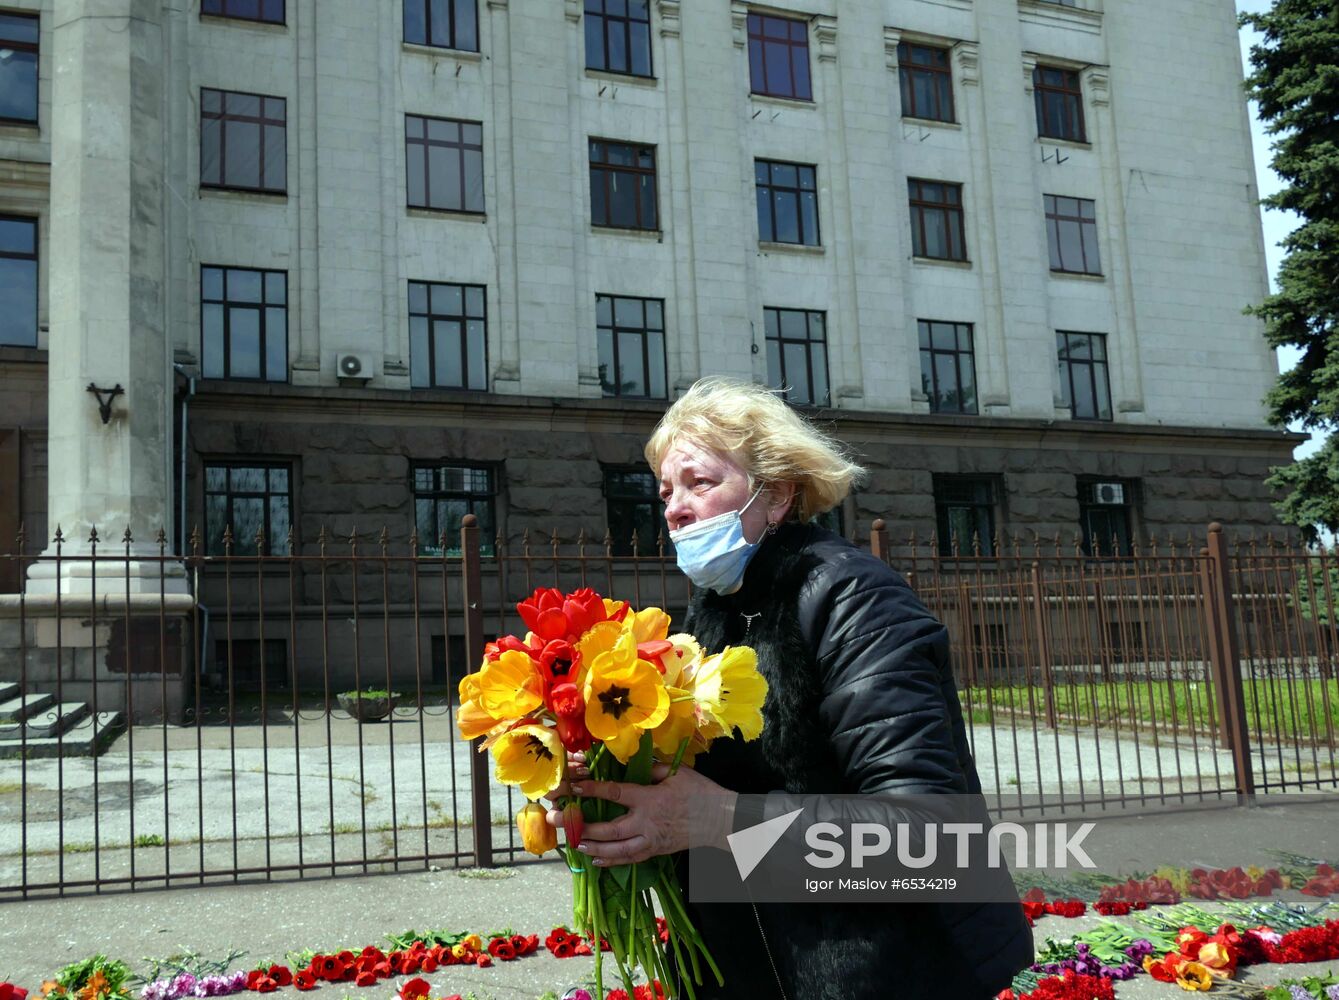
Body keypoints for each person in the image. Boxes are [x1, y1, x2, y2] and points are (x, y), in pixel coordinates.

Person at [550, 377, 1033, 999]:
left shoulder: (852, 598)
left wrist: (719, 820)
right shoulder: (714, 611)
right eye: (666, 491)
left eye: (699, 482)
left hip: (890, 971)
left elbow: (929, 841)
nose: (672, 508)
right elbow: (706, 797)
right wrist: (613, 790)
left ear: (775, 494)